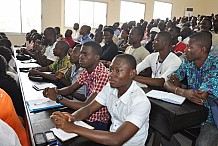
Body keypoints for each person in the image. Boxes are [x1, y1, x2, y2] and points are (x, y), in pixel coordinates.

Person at [50, 54, 151, 146]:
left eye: (118, 71)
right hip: (109, 138)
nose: (111, 75)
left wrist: (73, 128)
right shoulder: (110, 87)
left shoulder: (140, 102)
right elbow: (89, 109)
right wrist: (72, 117)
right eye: (111, 70)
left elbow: (117, 139)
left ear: (132, 73)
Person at [164, 31, 218, 146]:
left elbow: (201, 96)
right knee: (161, 124)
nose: (185, 49)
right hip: (194, 112)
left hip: (212, 118)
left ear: (202, 50)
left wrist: (179, 89)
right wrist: (183, 92)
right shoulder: (188, 63)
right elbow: (167, 82)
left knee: (203, 143)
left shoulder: (215, 65)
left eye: (189, 47)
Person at [43, 41, 110, 130]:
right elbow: (71, 89)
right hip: (84, 115)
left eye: (85, 54)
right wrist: (55, 91)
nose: (81, 57)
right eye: (81, 53)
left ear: (96, 57)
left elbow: (86, 105)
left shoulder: (103, 75)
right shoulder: (88, 70)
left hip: (96, 122)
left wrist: (58, 98)